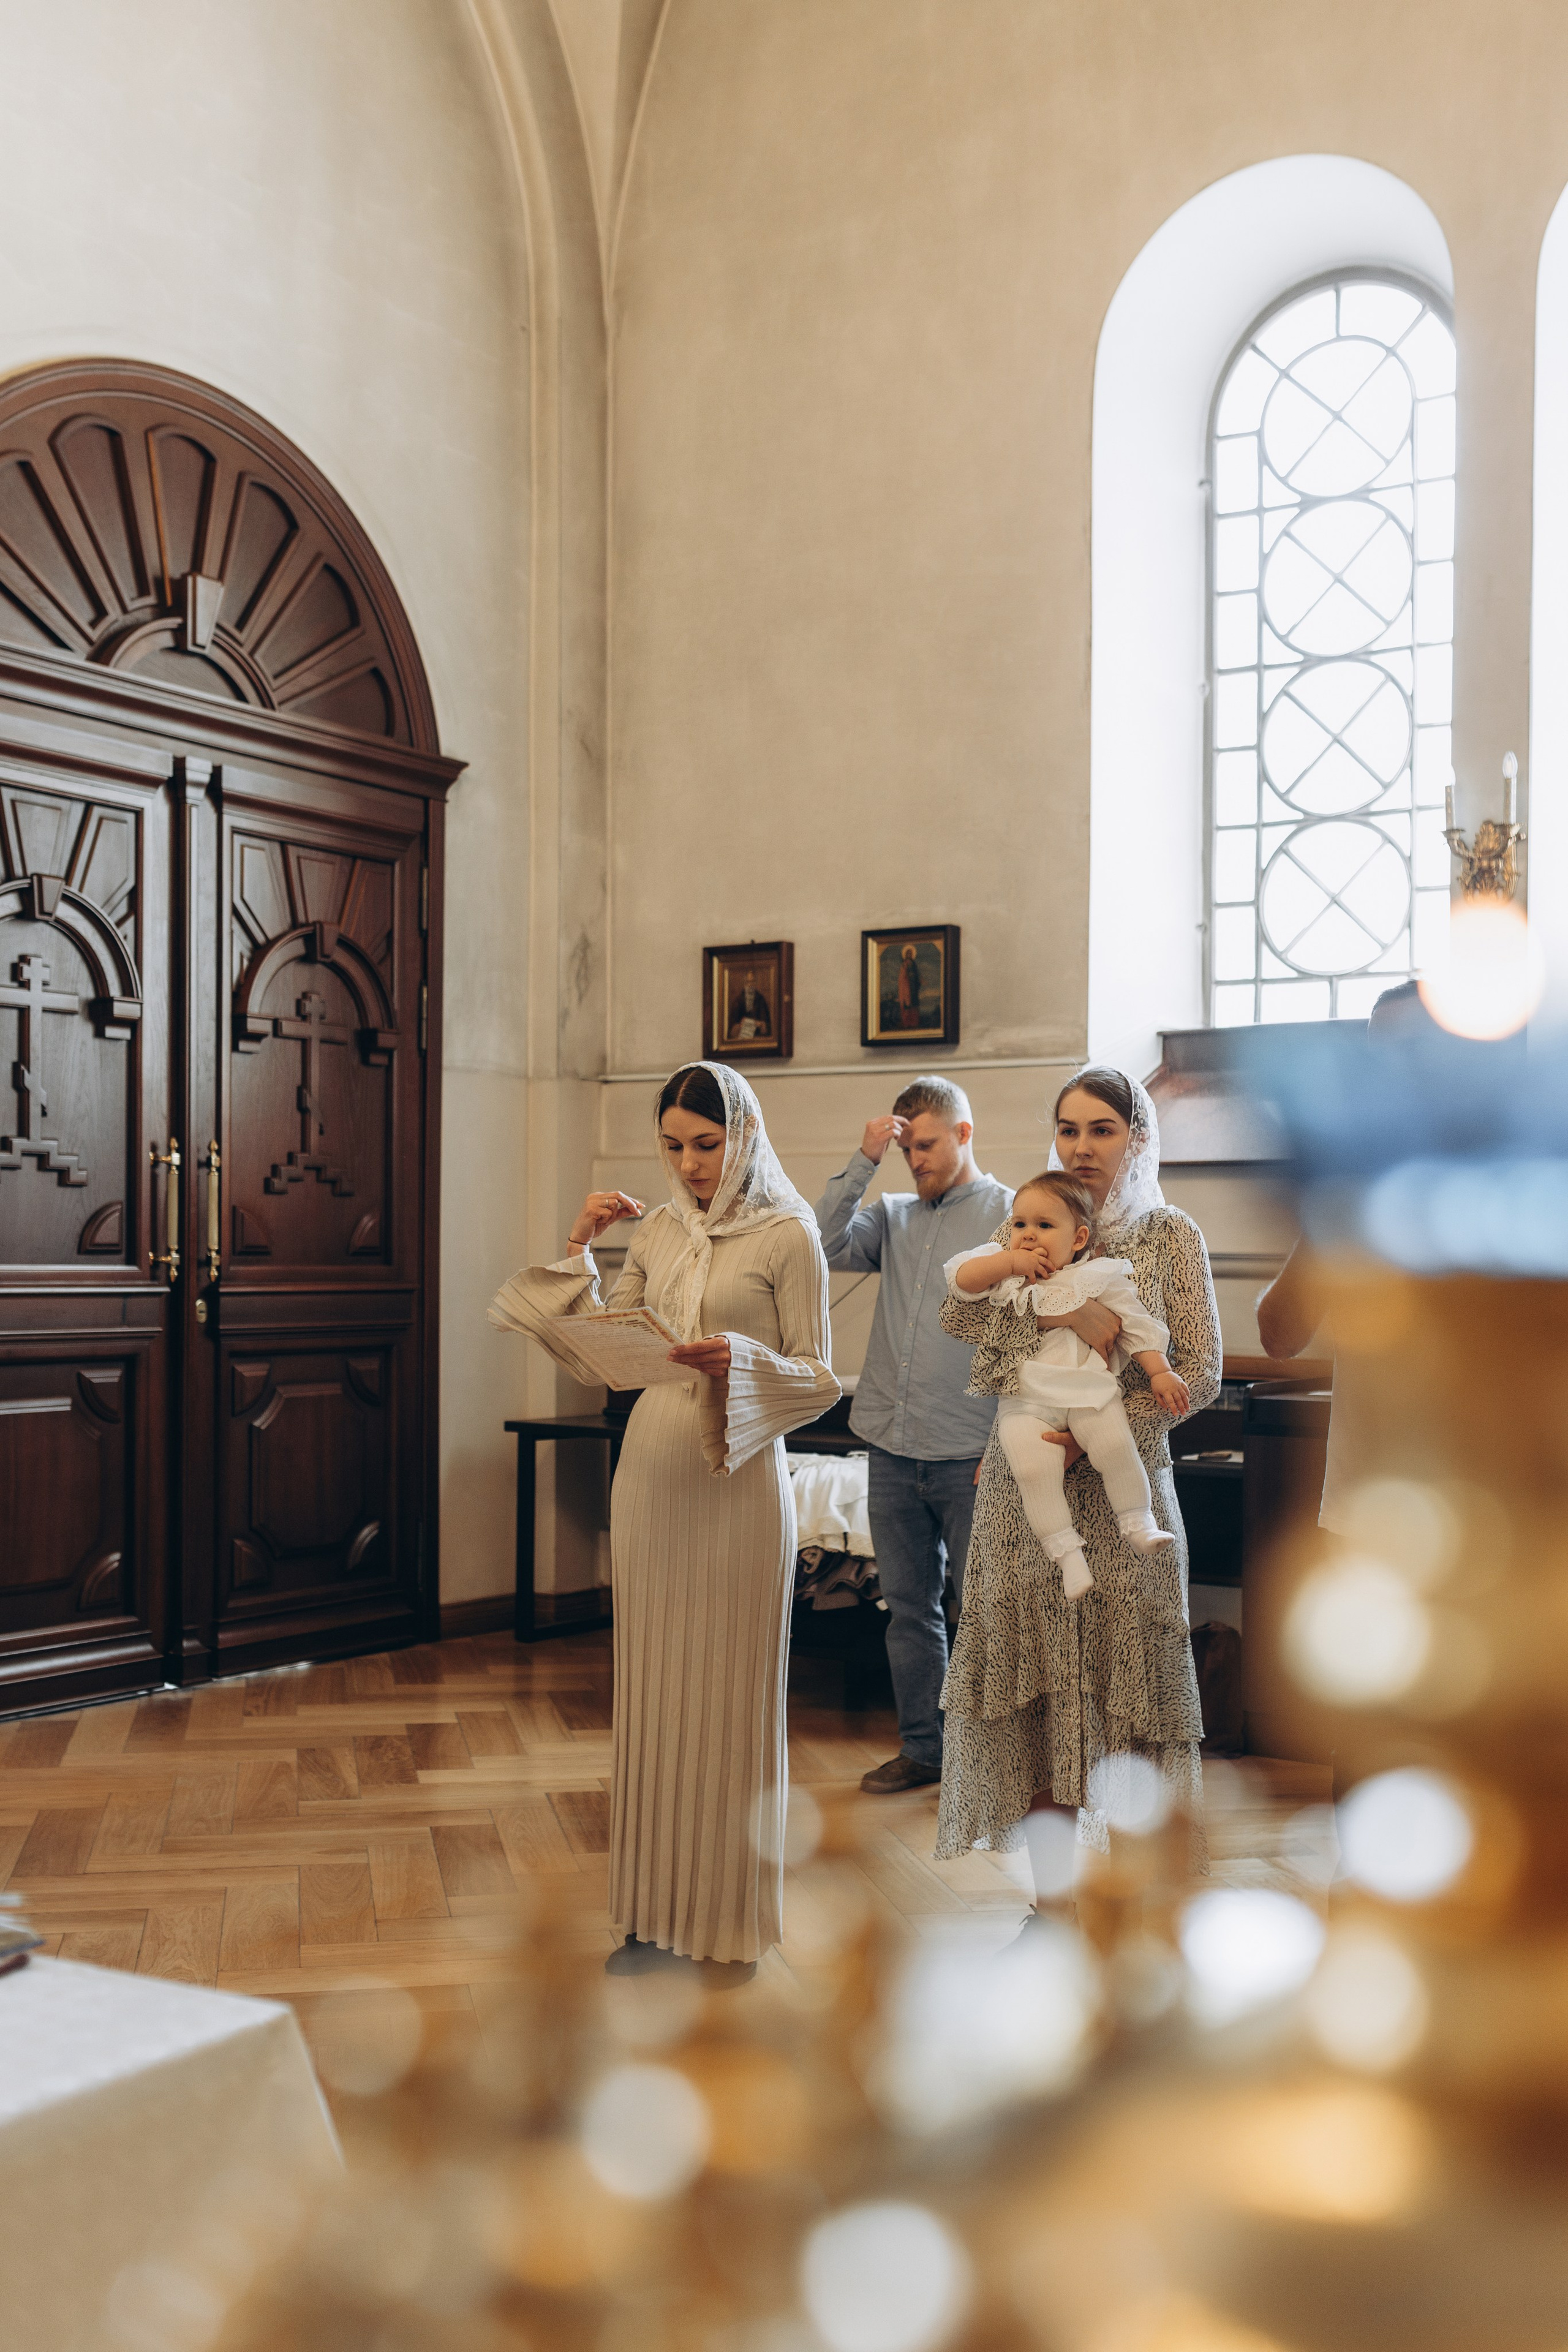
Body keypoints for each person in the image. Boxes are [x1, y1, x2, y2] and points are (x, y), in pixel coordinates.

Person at [489, 1060, 837, 1980]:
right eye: (674, 1147)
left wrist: (745, 1363)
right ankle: (649, 1917)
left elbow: (820, 1377)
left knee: (727, 1698)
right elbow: (611, 1353)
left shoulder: (790, 1236)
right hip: (650, 1468)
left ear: (746, 1136)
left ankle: (723, 1924)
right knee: (650, 1695)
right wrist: (580, 1250)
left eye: (707, 1145)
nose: (689, 1165)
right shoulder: (663, 1233)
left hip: (737, 1477)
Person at [935, 1066, 1219, 1864]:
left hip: (1125, 1497)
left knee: (1133, 1711)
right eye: (1070, 1130)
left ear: (1137, 1138)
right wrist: (1044, 1287)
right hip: (1027, 1503)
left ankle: (1134, 1914)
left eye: (1103, 1129)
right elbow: (959, 1308)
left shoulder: (1170, 1235)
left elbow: (1199, 1367)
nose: (1084, 1147)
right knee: (1038, 1705)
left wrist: (1103, 1430)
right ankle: (1054, 1905)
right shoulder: (1034, 1222)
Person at [814, 1077, 1013, 1793]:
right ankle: (923, 1751)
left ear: (964, 1133)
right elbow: (822, 1244)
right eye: (906, 1148)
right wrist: (865, 1160)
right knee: (908, 1612)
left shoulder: (1014, 1214)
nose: (916, 1160)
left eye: (926, 1145)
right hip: (890, 1447)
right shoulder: (891, 1214)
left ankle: (989, 1763)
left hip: (973, 1452)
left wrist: (1008, 1441)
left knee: (985, 1617)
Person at [945, 1170, 1189, 1599]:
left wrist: (1159, 1371)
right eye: (1020, 1223)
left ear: (1078, 1239)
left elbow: (1135, 1326)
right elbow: (961, 1286)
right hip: (1025, 1402)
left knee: (1115, 1444)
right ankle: (1067, 1556)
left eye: (1044, 1226)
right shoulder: (1005, 1273)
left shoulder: (1097, 1276)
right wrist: (1009, 1263)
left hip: (1087, 1393)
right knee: (1032, 1469)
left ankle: (1138, 1520)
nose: (1027, 1235)